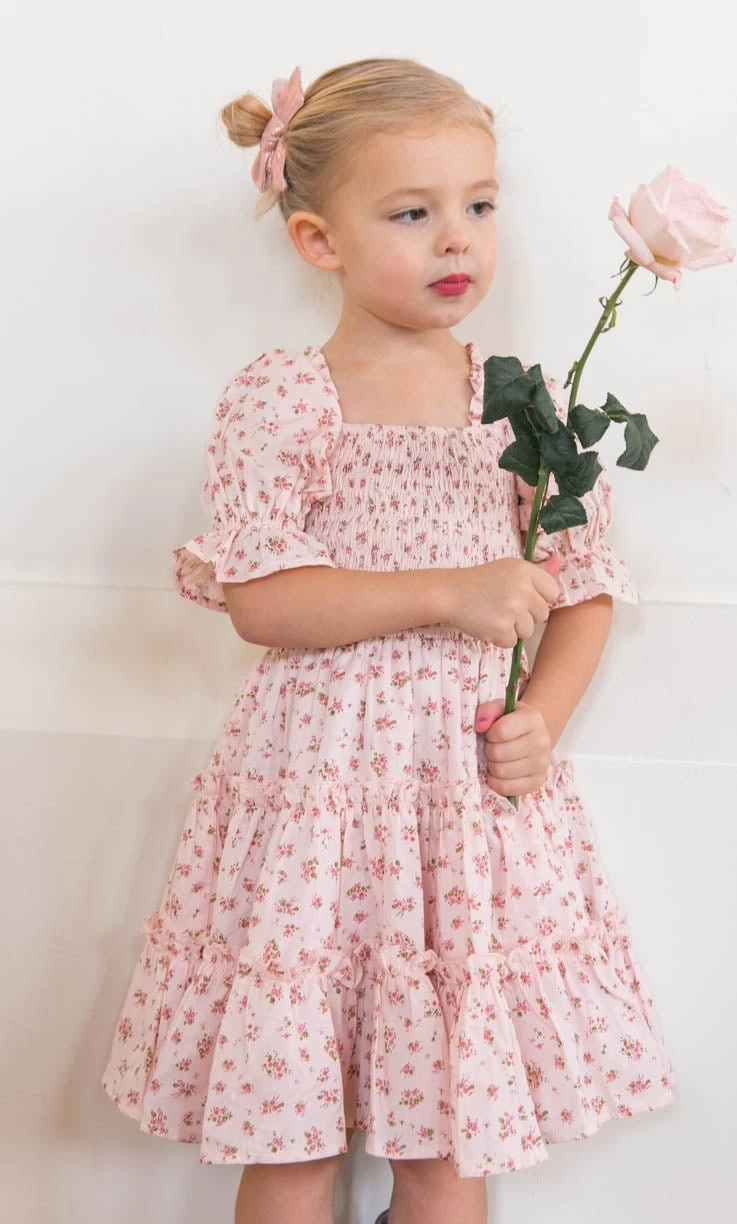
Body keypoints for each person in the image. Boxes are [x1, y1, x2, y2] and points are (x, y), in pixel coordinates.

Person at [102, 57, 675, 1224]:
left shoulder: (526, 404)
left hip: (464, 799)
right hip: (316, 799)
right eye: (412, 213)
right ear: (320, 240)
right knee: (292, 1137)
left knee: (448, 1143)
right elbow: (266, 602)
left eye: (480, 204)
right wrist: (449, 593)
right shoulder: (286, 397)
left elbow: (581, 586)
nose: (456, 237)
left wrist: (543, 716)